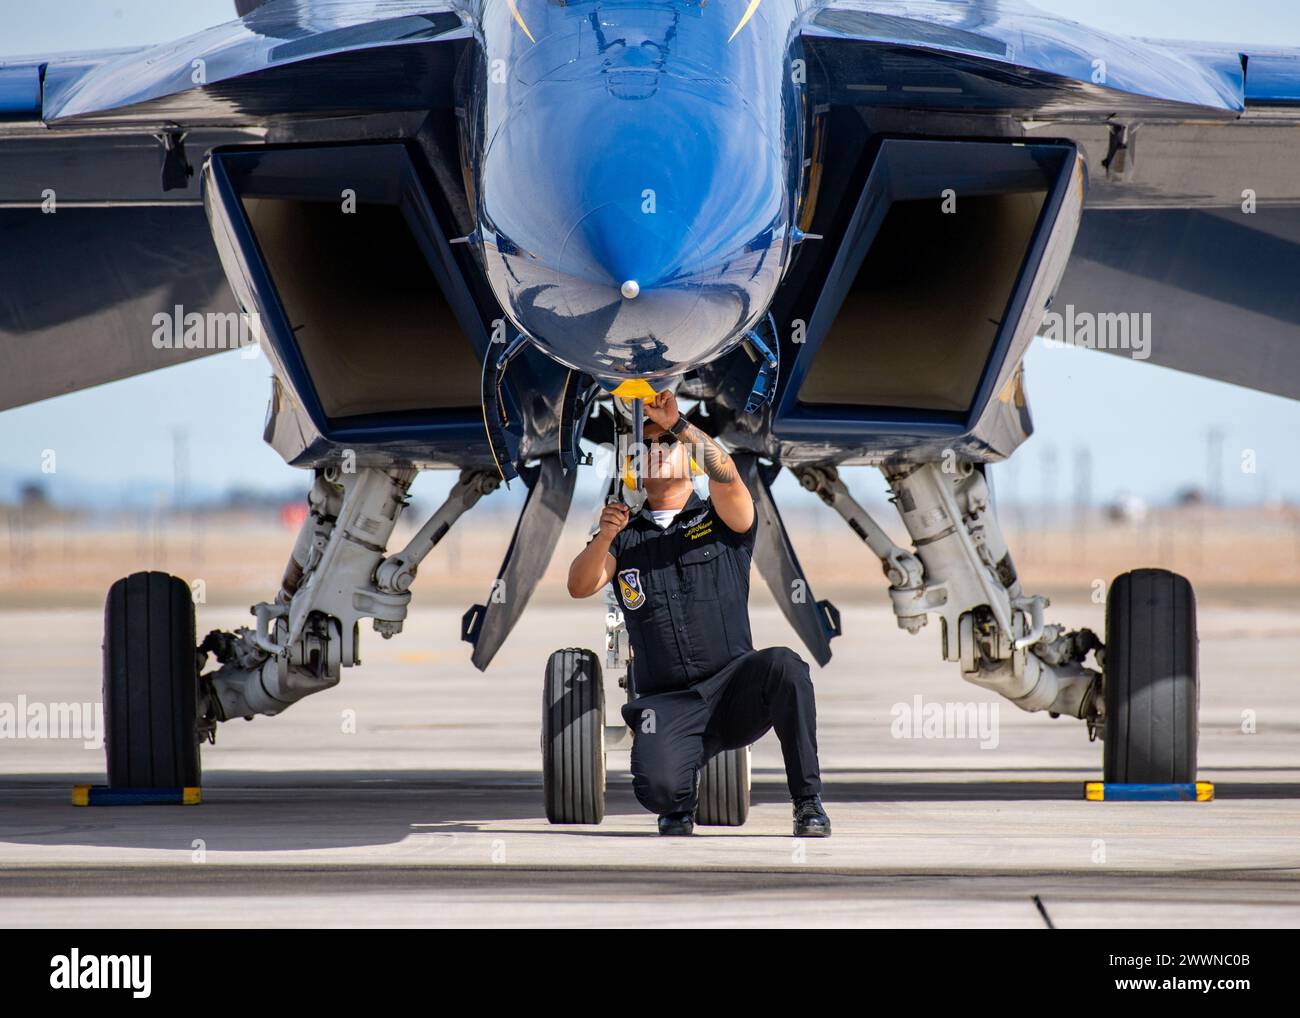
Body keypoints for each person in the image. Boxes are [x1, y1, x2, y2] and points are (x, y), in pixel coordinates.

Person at [567, 389, 831, 837]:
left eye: (664, 443)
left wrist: (680, 426)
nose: (655, 450)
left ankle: (808, 803)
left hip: (733, 691)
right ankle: (681, 800)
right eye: (645, 446)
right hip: (668, 703)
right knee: (658, 793)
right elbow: (579, 585)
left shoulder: (723, 519)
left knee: (786, 666)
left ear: (688, 456)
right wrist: (604, 537)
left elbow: (726, 473)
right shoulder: (625, 539)